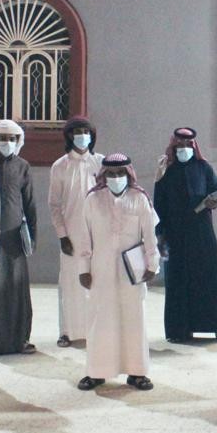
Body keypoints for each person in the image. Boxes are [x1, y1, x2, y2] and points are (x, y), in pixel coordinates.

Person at [76, 154, 160, 392]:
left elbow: (150, 236)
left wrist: (152, 265)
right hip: (100, 270)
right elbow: (84, 238)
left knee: (133, 319)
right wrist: (83, 269)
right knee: (100, 320)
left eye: (120, 173)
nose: (116, 178)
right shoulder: (92, 199)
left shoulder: (139, 198)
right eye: (111, 174)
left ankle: (137, 372)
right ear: (103, 175)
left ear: (128, 174)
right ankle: (97, 372)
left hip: (132, 271)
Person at [153, 126, 217, 344]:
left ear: (194, 146)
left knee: (209, 277)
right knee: (178, 280)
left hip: (201, 232)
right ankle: (179, 331)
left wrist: (215, 201)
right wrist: (160, 235)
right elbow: (158, 205)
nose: (184, 148)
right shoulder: (165, 170)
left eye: (187, 145)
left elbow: (216, 191)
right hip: (175, 233)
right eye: (179, 145)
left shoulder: (203, 167)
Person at [48, 117, 103, 347]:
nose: (82, 136)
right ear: (69, 136)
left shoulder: (101, 163)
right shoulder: (60, 166)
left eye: (86, 131)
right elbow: (54, 205)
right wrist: (62, 235)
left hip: (98, 233)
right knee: (70, 282)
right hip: (71, 234)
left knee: (97, 281)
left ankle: (96, 330)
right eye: (77, 132)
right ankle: (67, 332)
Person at [0, 119, 38, 356]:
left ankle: (19, 339)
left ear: (18, 141)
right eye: (3, 138)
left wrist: (32, 238)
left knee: (16, 289)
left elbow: (30, 203)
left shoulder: (23, 166)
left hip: (14, 239)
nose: (7, 142)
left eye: (12, 138)